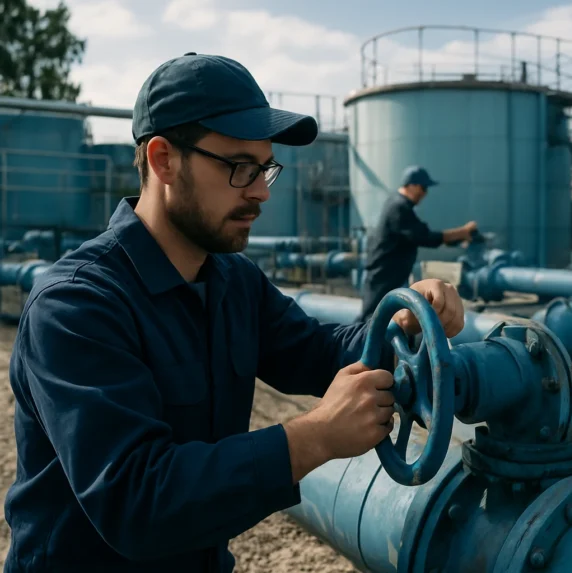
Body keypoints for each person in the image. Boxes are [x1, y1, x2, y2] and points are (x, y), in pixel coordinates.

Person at [3, 53, 466, 573]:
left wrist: (402, 322)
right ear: (163, 160)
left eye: (265, 168)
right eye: (240, 168)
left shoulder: (231, 280)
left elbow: (317, 351)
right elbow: (136, 501)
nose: (261, 191)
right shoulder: (77, 305)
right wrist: (314, 437)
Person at [358, 166, 477, 322]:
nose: (425, 193)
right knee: (371, 319)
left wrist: (454, 239)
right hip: (384, 276)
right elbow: (424, 237)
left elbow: (419, 236)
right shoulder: (399, 207)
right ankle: (353, 338)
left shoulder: (397, 203)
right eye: (423, 188)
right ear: (411, 185)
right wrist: (462, 232)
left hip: (388, 274)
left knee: (382, 318)